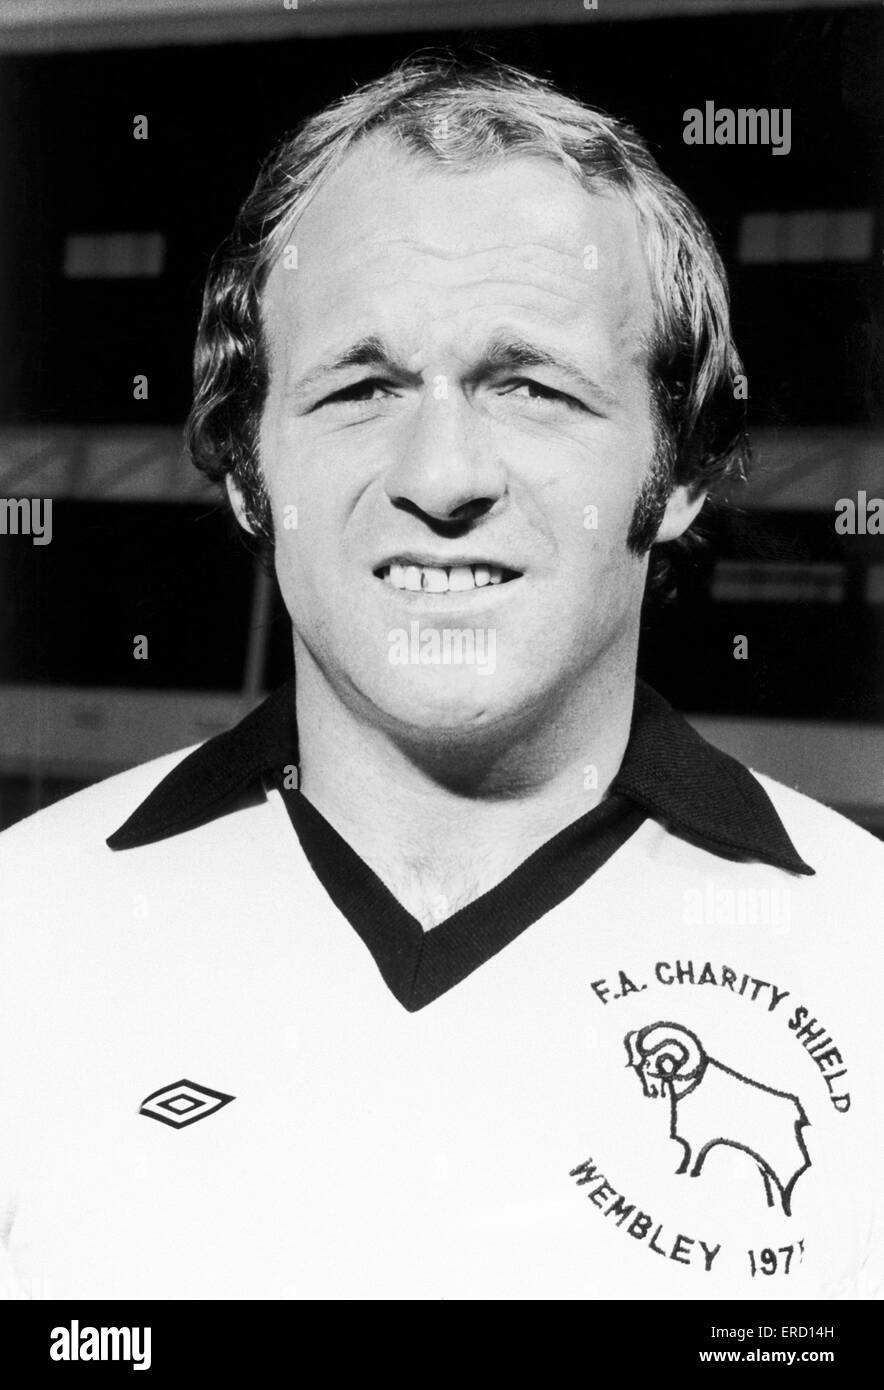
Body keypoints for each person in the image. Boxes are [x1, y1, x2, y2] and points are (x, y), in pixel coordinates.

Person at [0, 58, 880, 1301]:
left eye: (528, 386)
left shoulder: (865, 955)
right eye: (362, 388)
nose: (443, 474)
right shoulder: (21, 936)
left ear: (678, 466)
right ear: (250, 469)